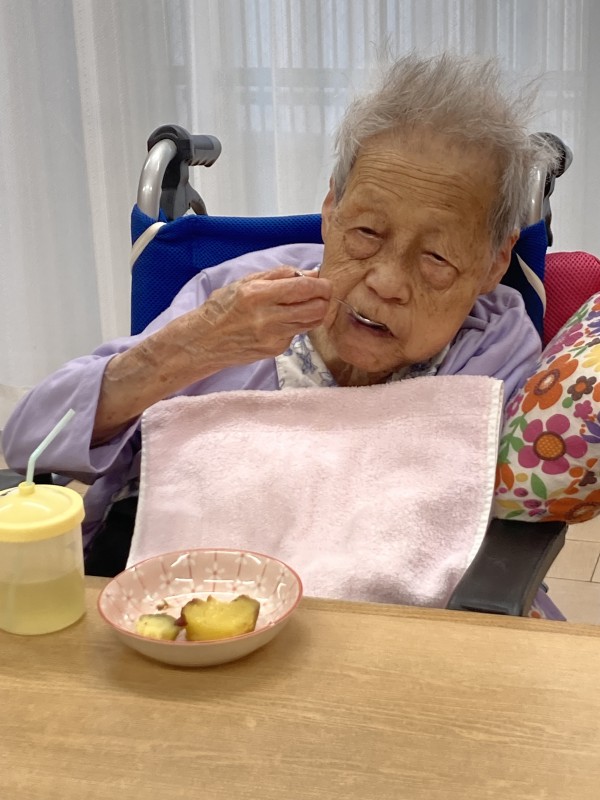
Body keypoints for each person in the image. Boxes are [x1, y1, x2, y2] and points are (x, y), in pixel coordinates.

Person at [2, 53, 557, 572]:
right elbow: (29, 441)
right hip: (167, 594)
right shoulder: (236, 296)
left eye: (436, 258)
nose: (387, 282)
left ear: (494, 262)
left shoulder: (494, 347)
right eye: (367, 232)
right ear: (331, 210)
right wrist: (189, 347)